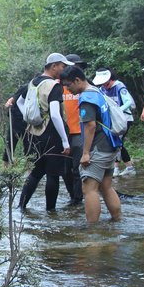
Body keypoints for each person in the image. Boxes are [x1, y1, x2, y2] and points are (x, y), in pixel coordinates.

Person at [59, 66, 122, 223]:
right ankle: (117, 220)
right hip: (110, 146)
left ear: (78, 80)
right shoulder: (96, 91)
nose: (67, 89)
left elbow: (90, 126)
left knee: (89, 189)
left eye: (68, 85)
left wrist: (86, 153)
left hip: (98, 148)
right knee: (106, 186)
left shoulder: (86, 97)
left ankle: (92, 230)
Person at [15, 53, 72, 212]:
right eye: (62, 66)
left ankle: (21, 206)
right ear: (54, 66)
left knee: (36, 172)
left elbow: (19, 101)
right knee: (53, 174)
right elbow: (55, 114)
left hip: (34, 134)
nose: (63, 69)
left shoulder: (33, 82)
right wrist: (65, 140)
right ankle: (51, 211)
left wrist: (32, 118)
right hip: (52, 135)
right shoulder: (54, 86)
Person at [93, 68, 137, 177]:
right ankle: (121, 168)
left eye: (106, 84)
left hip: (124, 119)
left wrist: (117, 111)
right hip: (113, 121)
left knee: (118, 143)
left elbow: (128, 102)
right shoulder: (102, 89)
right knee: (117, 143)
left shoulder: (119, 86)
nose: (104, 86)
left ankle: (126, 167)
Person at [62, 53, 88, 205]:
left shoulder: (84, 86)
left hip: (79, 131)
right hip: (64, 133)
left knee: (77, 168)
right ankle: (73, 195)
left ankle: (77, 199)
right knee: (65, 170)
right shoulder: (59, 86)